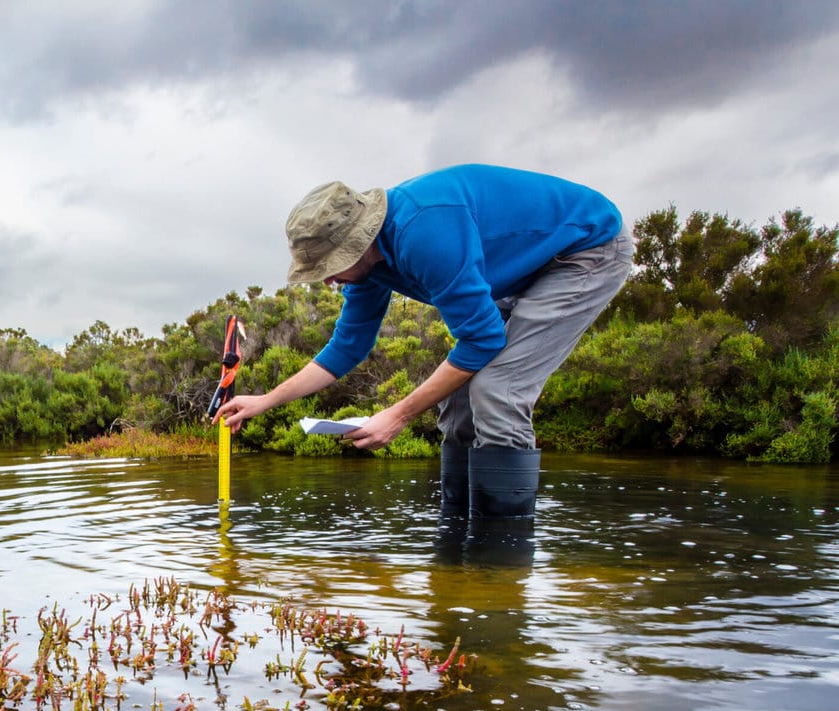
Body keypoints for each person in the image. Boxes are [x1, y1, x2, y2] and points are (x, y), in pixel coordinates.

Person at [214, 163, 633, 522]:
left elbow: (482, 340)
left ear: (361, 242)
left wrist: (397, 416)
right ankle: (456, 546)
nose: (328, 278)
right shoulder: (370, 267)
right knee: (459, 397)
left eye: (333, 265)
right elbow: (348, 346)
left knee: (496, 389)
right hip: (524, 268)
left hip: (584, 251)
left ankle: (500, 561)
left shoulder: (426, 233)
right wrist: (265, 400)